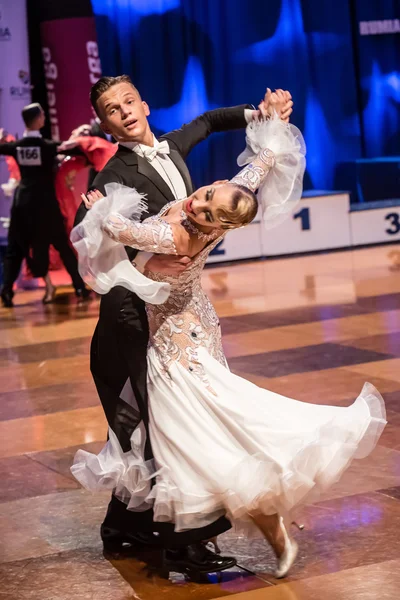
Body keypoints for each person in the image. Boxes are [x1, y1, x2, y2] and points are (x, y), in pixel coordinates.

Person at [71, 112, 386, 579]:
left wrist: (99, 206)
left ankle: (202, 534)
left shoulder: (180, 233)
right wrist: (270, 136)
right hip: (196, 326)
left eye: (207, 208)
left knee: (190, 435)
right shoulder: (230, 200)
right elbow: (254, 172)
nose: (197, 202)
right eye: (206, 193)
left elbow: (122, 231)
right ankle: (158, 528)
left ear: (216, 222)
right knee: (199, 424)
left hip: (172, 342)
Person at [72, 75, 294, 575]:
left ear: (145, 104)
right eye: (112, 109)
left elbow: (213, 121)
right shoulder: (112, 175)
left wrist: (259, 115)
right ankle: (180, 540)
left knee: (160, 427)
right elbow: (97, 238)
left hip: (177, 314)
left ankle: (127, 528)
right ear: (105, 124)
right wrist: (140, 260)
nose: (124, 112)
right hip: (131, 315)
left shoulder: (174, 145)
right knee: (155, 426)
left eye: (129, 101)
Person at [0, 103, 91, 307]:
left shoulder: (17, 147)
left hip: (22, 205)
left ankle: (6, 292)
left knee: (15, 249)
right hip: (45, 207)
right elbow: (77, 150)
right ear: (40, 119)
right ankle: (79, 287)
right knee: (63, 248)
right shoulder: (48, 146)